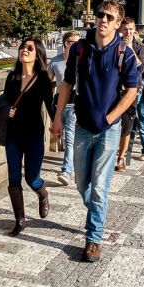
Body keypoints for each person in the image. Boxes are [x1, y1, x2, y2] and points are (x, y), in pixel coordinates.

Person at [51, 0, 139, 262]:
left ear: (118, 23)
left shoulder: (125, 53)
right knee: (81, 183)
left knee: (100, 186)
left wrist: (111, 117)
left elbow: (132, 91)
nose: (103, 19)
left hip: (109, 130)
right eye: (100, 14)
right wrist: (57, 117)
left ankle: (93, 239)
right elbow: (67, 85)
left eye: (109, 17)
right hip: (82, 124)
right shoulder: (80, 49)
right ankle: (97, 213)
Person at [1, 38, 54, 236]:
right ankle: (20, 221)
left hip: (33, 135)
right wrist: (8, 111)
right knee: (14, 179)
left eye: (29, 48)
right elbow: (5, 101)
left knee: (32, 178)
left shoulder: (42, 79)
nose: (24, 49)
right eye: (23, 46)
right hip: (13, 135)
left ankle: (42, 192)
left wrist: (57, 125)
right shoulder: (12, 77)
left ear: (37, 53)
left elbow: (50, 105)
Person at [48, 31, 81, 185]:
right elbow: (47, 83)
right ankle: (74, 163)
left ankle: (67, 170)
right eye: (75, 42)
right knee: (66, 138)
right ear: (66, 43)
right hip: (60, 104)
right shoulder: (55, 62)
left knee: (69, 137)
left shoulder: (83, 60)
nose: (79, 45)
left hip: (76, 104)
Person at [114, 18, 144, 172]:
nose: (128, 32)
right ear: (121, 29)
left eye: (131, 29)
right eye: (125, 29)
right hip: (114, 89)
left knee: (127, 125)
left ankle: (121, 158)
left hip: (131, 90)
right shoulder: (114, 44)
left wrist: (129, 50)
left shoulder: (141, 47)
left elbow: (141, 68)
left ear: (135, 30)